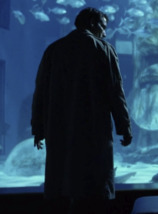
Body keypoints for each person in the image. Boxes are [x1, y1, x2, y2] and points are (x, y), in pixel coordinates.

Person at [31, 7, 132, 214]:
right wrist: (124, 126)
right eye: (103, 27)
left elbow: (40, 91)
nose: (105, 33)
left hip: (60, 130)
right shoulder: (104, 50)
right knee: (94, 188)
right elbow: (116, 93)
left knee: (63, 183)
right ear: (93, 24)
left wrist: (38, 128)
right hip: (93, 131)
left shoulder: (54, 50)